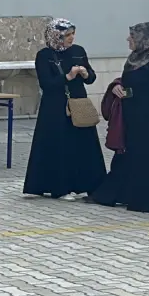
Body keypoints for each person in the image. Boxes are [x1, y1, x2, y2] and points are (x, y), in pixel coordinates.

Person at [89, 23, 149, 215]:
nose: (128, 39)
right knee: (132, 156)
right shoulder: (134, 60)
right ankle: (126, 195)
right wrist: (117, 87)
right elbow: (126, 82)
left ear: (146, 40)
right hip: (134, 116)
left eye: (133, 36)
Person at [22, 18, 107, 200]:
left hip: (78, 103)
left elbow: (91, 77)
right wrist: (67, 76)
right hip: (55, 107)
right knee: (60, 146)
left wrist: (86, 74)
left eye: (72, 34)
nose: (71, 38)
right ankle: (59, 188)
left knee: (83, 144)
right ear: (56, 36)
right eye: (67, 35)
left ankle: (87, 185)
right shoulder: (45, 55)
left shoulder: (78, 51)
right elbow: (46, 83)